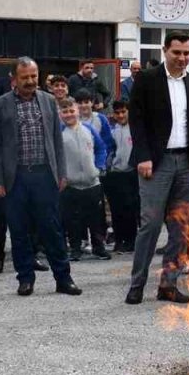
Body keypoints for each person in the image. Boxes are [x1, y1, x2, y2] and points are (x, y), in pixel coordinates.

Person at [122, 33, 189, 305]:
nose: (182, 58)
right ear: (165, 51)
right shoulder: (147, 80)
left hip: (186, 164)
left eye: (186, 53)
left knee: (179, 228)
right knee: (150, 225)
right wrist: (143, 156)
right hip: (156, 164)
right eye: (177, 52)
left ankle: (168, 285)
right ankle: (137, 284)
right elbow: (136, 121)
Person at [0, 57, 80, 297]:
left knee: (52, 229)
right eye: (25, 77)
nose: (30, 81)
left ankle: (64, 279)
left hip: (44, 176)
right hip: (14, 178)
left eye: (34, 76)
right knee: (18, 231)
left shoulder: (49, 101)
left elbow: (57, 142)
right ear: (14, 79)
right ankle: (25, 278)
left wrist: (62, 173)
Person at [58, 97, 109, 262]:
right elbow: (55, 157)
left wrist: (99, 167)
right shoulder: (58, 133)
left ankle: (98, 247)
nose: (69, 114)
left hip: (92, 182)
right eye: (65, 111)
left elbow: (101, 148)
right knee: (72, 219)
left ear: (78, 111)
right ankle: (75, 249)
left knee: (95, 219)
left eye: (71, 110)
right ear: (60, 114)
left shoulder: (89, 129)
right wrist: (61, 176)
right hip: (70, 185)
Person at [72, 88, 115, 260]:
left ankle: (99, 242)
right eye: (80, 102)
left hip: (95, 172)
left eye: (86, 101)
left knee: (97, 210)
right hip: (74, 173)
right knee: (76, 210)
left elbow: (107, 143)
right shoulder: (70, 119)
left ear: (92, 102)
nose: (84, 105)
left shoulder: (100, 119)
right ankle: (81, 241)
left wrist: (102, 165)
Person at [105, 100, 138, 255]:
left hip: (132, 173)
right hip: (116, 173)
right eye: (117, 113)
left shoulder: (136, 128)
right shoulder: (112, 130)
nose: (120, 115)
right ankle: (119, 240)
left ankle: (131, 241)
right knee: (116, 209)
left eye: (123, 112)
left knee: (131, 208)